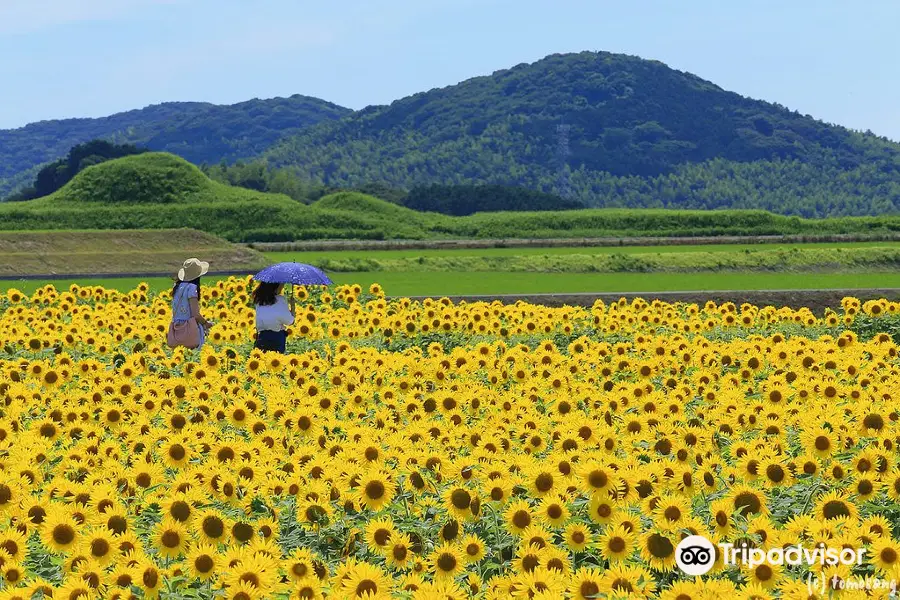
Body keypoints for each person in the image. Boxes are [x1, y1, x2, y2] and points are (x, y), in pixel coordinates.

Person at [167, 258, 212, 349]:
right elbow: (195, 315)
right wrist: (206, 323)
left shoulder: (177, 287)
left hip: (177, 330)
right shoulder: (191, 288)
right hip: (190, 330)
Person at [253, 282, 295, 353]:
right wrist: (293, 307)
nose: (283, 286)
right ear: (276, 286)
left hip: (261, 338)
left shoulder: (259, 300)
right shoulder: (280, 299)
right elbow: (290, 321)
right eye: (282, 284)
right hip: (276, 339)